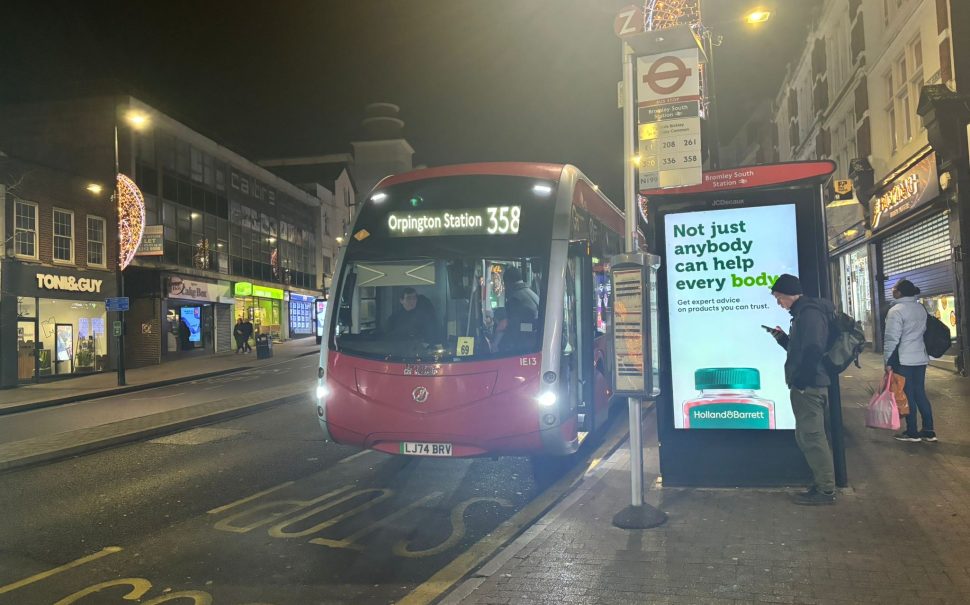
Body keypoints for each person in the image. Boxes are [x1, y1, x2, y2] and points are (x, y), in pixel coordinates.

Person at [767, 273, 837, 505]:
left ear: (790, 294)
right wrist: (782, 339)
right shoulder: (802, 314)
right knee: (808, 436)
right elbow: (799, 349)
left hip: (810, 386)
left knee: (813, 437)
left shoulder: (809, 315)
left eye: (779, 297)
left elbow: (814, 350)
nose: (779, 303)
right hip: (808, 384)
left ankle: (826, 490)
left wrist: (802, 382)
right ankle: (821, 484)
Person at [884, 279, 936, 442]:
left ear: (899, 292)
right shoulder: (920, 308)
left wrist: (887, 361)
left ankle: (912, 431)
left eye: (894, 289)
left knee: (907, 395)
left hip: (903, 359)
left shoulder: (896, 311)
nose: (892, 291)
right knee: (920, 392)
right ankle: (929, 430)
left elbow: (892, 339)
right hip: (920, 357)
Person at [502, 266, 540, 351]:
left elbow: (516, 328)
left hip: (524, 347)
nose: (505, 288)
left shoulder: (515, 299)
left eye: (505, 284)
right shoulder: (531, 294)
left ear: (508, 282)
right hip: (535, 341)